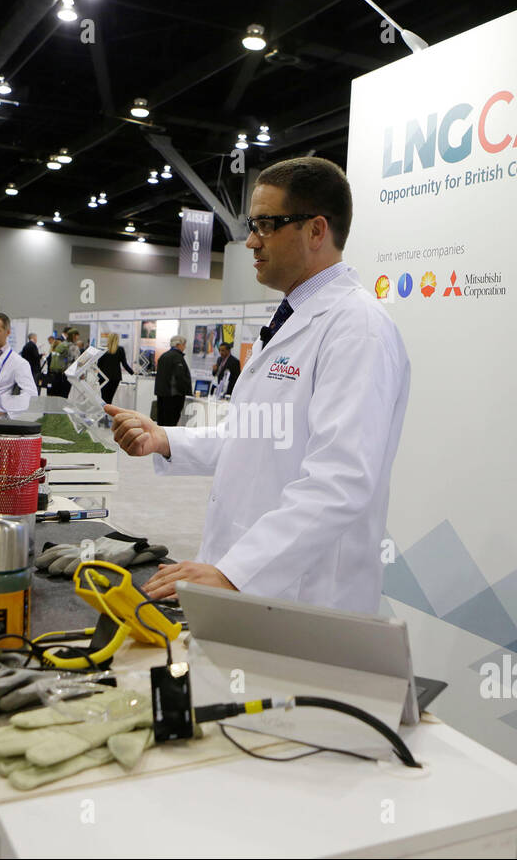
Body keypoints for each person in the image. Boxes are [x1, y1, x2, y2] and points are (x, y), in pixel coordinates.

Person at [105, 157, 410, 614]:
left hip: (305, 598)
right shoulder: (292, 318)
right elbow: (254, 433)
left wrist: (235, 571)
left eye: (266, 225)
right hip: (254, 587)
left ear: (315, 230)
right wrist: (166, 439)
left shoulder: (356, 328)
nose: (250, 241)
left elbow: (341, 480)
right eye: (252, 224)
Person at [153, 334, 191, 427]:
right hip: (173, 395)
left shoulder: (163, 356)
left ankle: (161, 440)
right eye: (184, 345)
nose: (185, 347)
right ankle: (169, 441)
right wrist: (187, 391)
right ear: (179, 345)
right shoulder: (177, 358)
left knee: (162, 421)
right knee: (171, 422)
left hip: (162, 394)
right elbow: (180, 377)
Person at [97, 332, 134, 405]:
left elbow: (99, 364)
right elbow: (124, 364)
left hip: (103, 377)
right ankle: (107, 413)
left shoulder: (103, 349)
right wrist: (132, 373)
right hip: (115, 378)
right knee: (110, 398)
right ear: (117, 340)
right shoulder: (120, 349)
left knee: (103, 397)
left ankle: (103, 413)